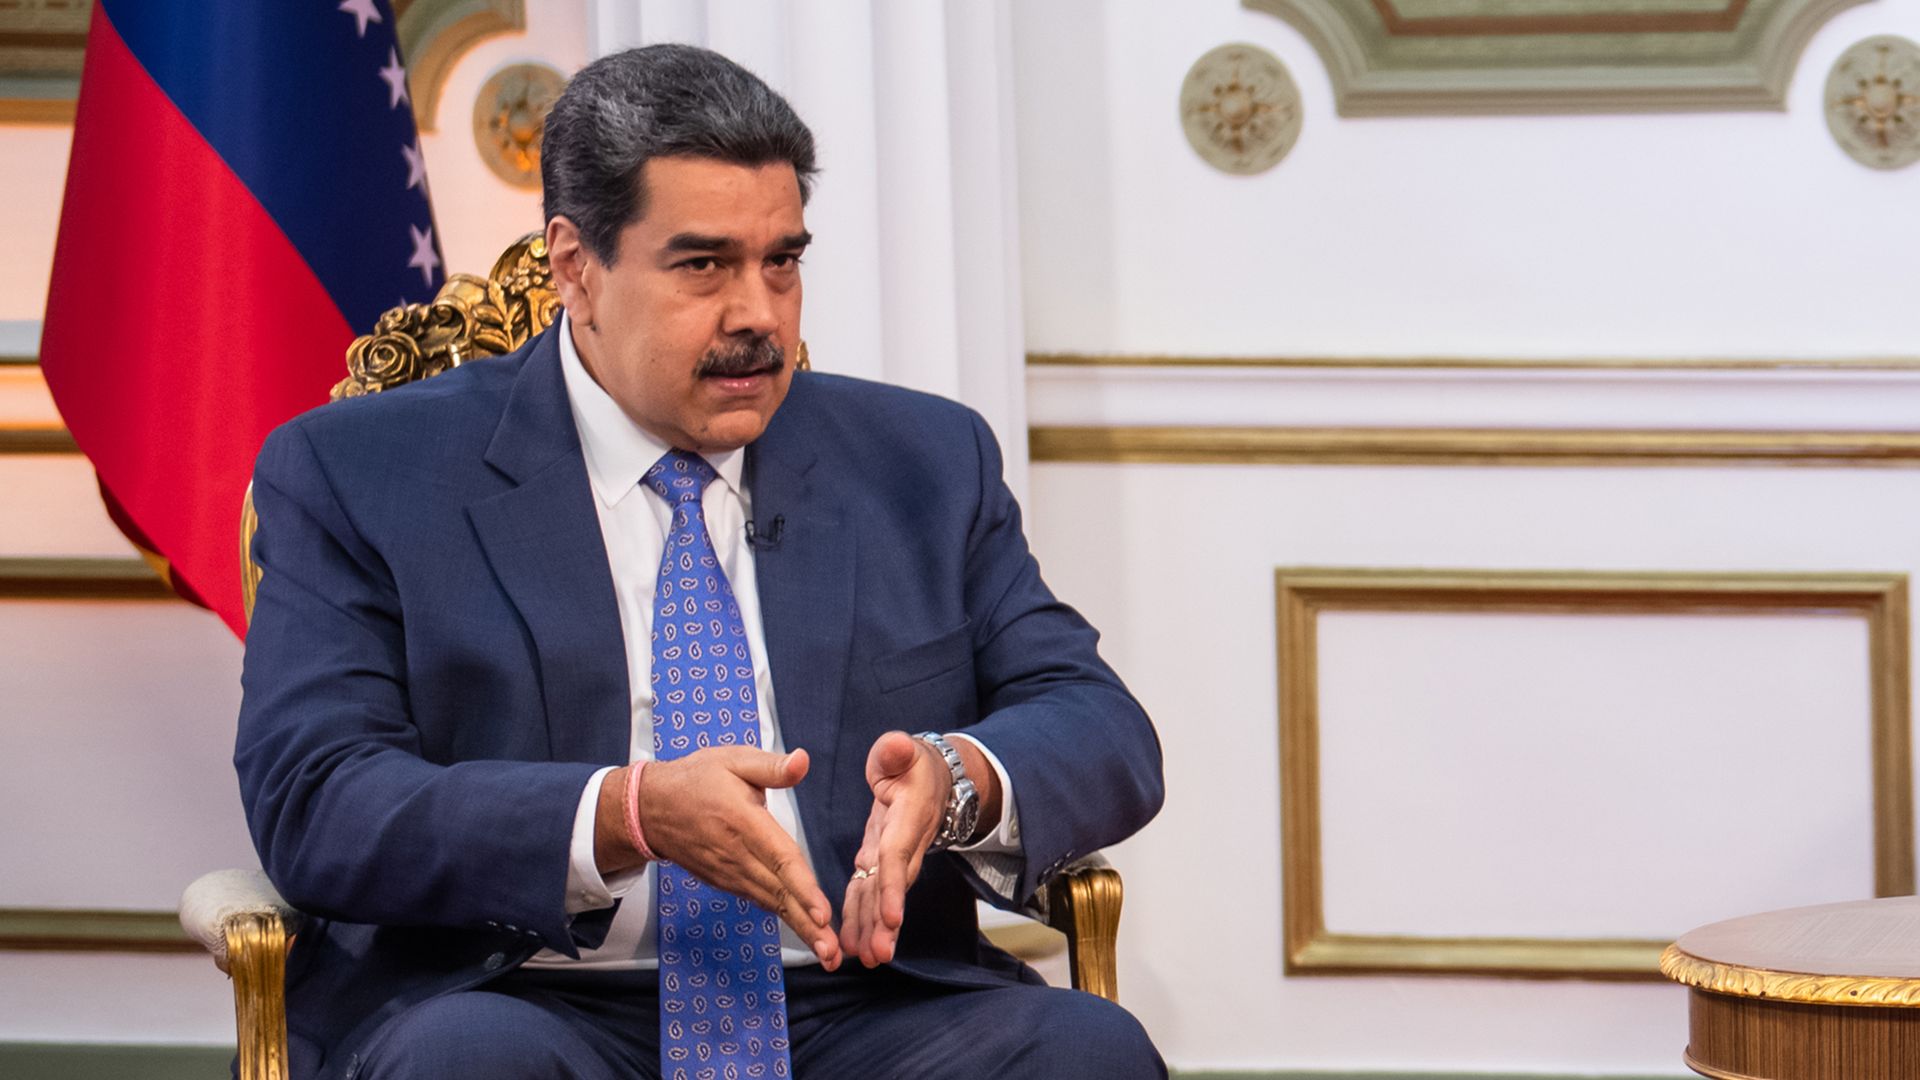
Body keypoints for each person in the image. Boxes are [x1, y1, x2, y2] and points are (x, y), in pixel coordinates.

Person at [236, 43, 1164, 1080]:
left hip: (863, 1001)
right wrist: (623, 815)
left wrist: (957, 781)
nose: (759, 314)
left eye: (783, 261)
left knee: (1087, 1052)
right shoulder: (364, 471)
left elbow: (1099, 725)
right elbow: (316, 796)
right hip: (524, 994)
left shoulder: (923, 464)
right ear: (576, 270)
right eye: (703, 265)